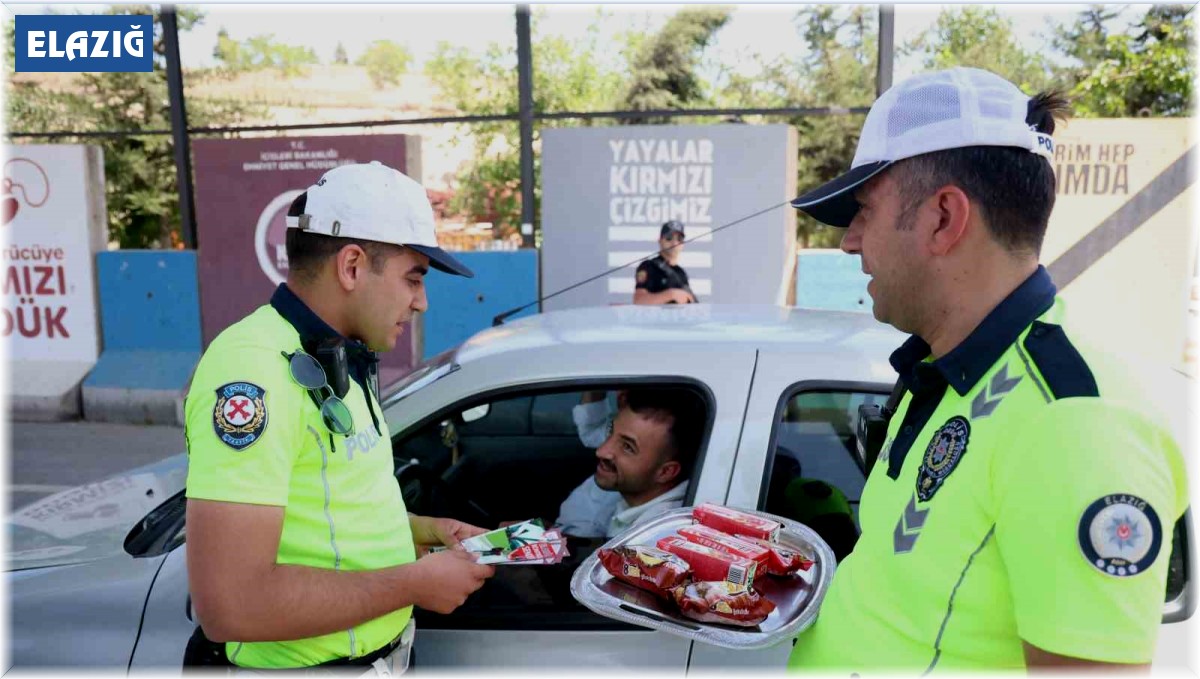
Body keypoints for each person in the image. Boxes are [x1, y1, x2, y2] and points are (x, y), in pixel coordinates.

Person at [787, 68, 1188, 672]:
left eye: (864, 210)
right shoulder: (942, 372)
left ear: (945, 217)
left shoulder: (1075, 424)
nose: (850, 241)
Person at [183, 162, 496, 671]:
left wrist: (422, 529)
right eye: (413, 278)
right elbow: (230, 604)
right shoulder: (253, 371)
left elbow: (327, 513)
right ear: (351, 266)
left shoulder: (338, 354)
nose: (422, 301)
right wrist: (414, 583)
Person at [555, 388, 703, 538]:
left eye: (627, 447)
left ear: (666, 472)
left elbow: (584, 555)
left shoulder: (651, 536)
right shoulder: (636, 498)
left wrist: (534, 541)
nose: (600, 451)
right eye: (610, 433)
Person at [633, 220, 697, 305]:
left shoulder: (681, 273)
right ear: (660, 240)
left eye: (679, 239)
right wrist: (671, 294)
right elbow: (639, 301)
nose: (674, 243)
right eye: (669, 238)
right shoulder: (648, 266)